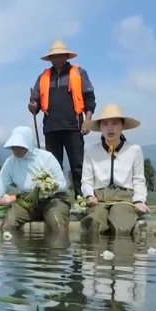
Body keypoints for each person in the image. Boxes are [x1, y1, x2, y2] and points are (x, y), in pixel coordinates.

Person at [28, 40, 96, 198]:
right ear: (50, 59)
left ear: (66, 56)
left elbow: (89, 98)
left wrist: (88, 120)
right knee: (53, 166)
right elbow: (35, 104)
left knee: (78, 165)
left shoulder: (78, 72)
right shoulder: (43, 77)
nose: (57, 59)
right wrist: (32, 107)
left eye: (60, 56)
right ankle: (56, 199)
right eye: (54, 57)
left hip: (74, 126)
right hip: (51, 128)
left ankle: (82, 198)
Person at [0, 126, 71, 233]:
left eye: (19, 146)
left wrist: (48, 187)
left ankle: (57, 249)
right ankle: (19, 248)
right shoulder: (10, 163)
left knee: (57, 225)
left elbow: (63, 185)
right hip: (26, 203)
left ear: (29, 145)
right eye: (13, 146)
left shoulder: (47, 157)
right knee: (7, 225)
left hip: (53, 200)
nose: (16, 150)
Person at [80, 104, 149, 236]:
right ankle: (93, 255)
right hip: (99, 198)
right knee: (94, 223)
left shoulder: (134, 150)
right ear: (100, 127)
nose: (110, 128)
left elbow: (139, 180)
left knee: (121, 224)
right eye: (105, 124)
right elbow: (86, 180)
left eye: (115, 123)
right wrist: (89, 195)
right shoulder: (91, 150)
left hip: (124, 199)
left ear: (123, 126)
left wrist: (140, 200)